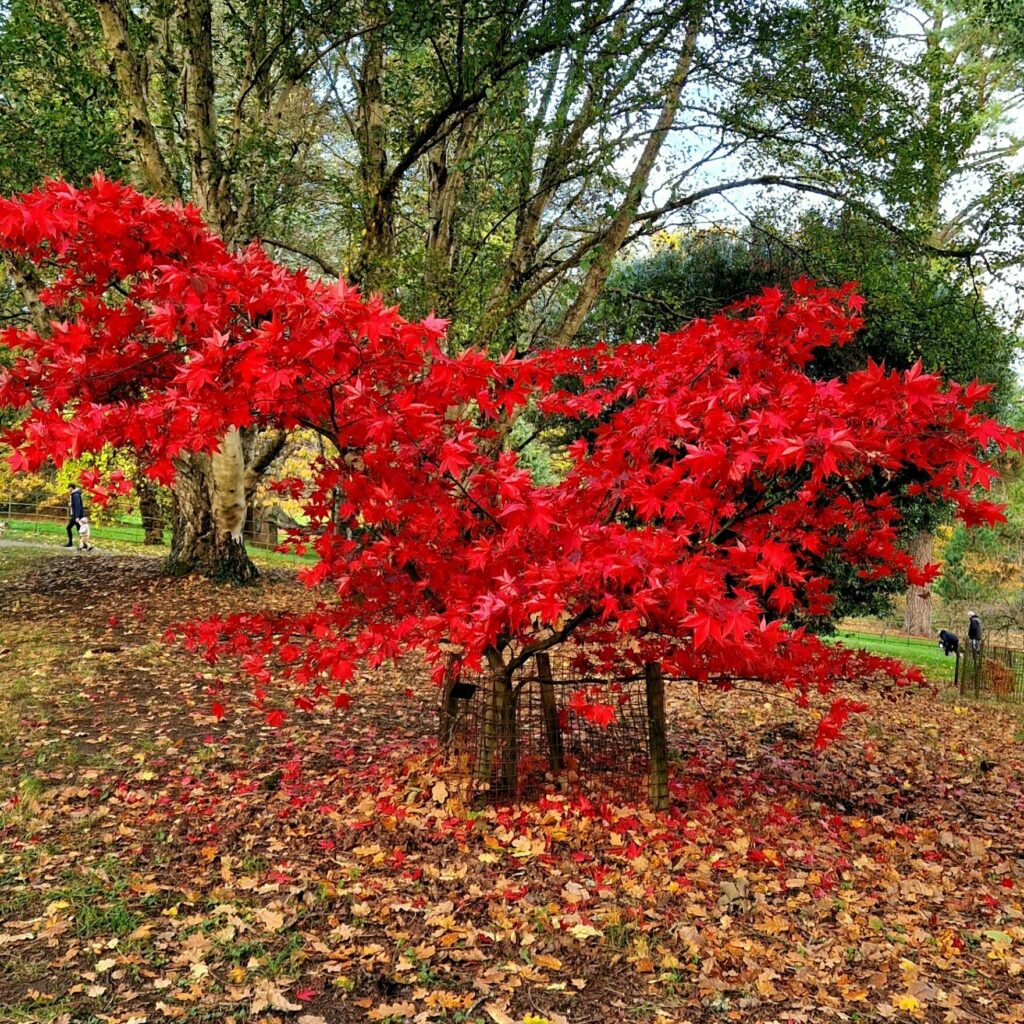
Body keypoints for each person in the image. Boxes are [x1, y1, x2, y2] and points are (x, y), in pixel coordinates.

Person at [63, 483, 84, 547]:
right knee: (73, 529)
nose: (68, 489)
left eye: (68, 488)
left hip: (76, 516)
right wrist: (71, 504)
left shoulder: (75, 495)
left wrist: (77, 517)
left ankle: (72, 543)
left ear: (71, 488)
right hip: (75, 515)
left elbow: (78, 506)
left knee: (76, 529)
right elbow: (75, 504)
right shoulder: (75, 494)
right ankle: (82, 544)